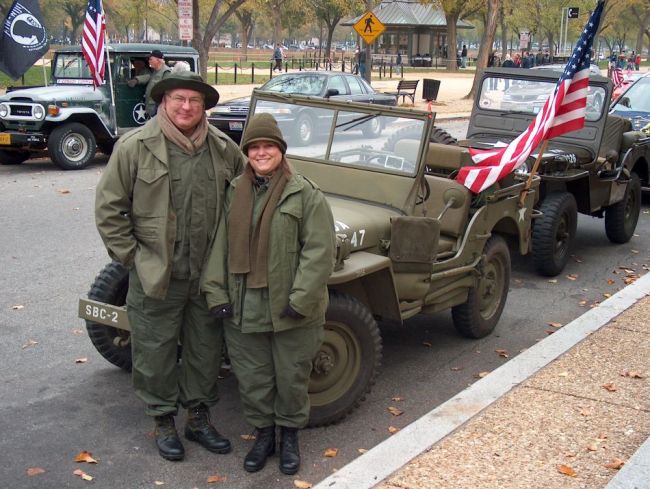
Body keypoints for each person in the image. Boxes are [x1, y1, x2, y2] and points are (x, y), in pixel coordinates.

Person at [95, 71, 247, 462]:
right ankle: (163, 421)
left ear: (204, 107)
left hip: (207, 277)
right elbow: (110, 209)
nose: (186, 107)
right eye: (179, 98)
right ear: (164, 101)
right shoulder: (135, 146)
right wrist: (134, 259)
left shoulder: (223, 148)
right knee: (155, 352)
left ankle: (198, 419)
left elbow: (250, 191)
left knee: (204, 351)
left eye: (194, 101)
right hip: (156, 276)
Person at [201, 113, 336, 476]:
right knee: (254, 378)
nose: (261, 153)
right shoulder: (236, 191)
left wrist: (300, 300)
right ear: (247, 152)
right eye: (255, 147)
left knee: (291, 377)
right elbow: (220, 247)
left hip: (292, 308)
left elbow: (320, 250)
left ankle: (289, 437)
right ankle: (264, 436)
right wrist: (216, 294)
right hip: (244, 306)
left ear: (280, 150)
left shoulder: (303, 192)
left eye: (268, 147)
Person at [127, 49, 172, 116]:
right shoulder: (155, 71)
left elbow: (167, 93)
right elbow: (148, 77)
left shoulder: (166, 72)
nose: (149, 61)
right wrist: (137, 80)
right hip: (152, 107)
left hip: (159, 109)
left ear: (158, 60)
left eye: (151, 59)